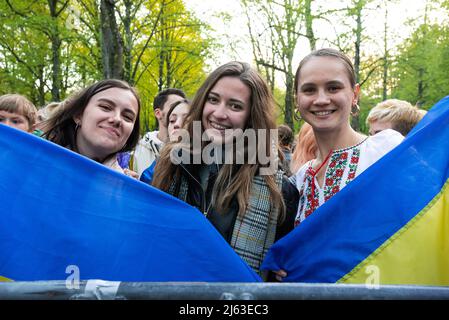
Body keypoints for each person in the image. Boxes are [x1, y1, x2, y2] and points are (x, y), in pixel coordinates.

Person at [151, 61, 299, 279]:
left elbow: (283, 273)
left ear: (252, 116)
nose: (219, 114)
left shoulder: (279, 192)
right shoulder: (172, 165)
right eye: (213, 100)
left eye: (235, 106)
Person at [273, 48, 404, 281]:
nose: (321, 99)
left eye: (333, 88)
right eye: (309, 89)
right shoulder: (301, 179)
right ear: (297, 99)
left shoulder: (386, 150)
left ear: (354, 94)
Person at [42, 79, 140, 176]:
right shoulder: (37, 161)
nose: (117, 119)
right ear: (79, 114)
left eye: (127, 117)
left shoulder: (125, 188)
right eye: (106, 107)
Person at [131, 88, 186, 178]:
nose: (179, 110)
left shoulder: (193, 152)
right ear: (158, 113)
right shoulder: (137, 149)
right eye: (174, 106)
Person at [140, 99, 190, 185]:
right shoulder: (154, 170)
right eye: (172, 120)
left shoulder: (211, 166)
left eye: (185, 120)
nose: (176, 124)